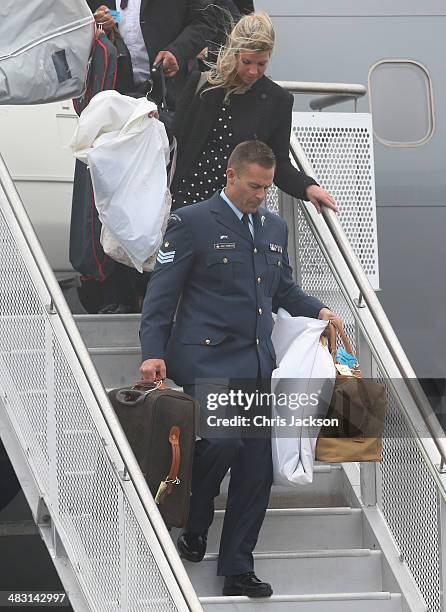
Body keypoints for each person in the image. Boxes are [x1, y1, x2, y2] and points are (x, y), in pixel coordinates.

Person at [139, 140, 340, 597]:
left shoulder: (272, 227)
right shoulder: (191, 222)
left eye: (267, 188)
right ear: (230, 177)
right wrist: (152, 351)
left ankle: (237, 569)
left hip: (255, 362)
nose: (261, 195)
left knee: (256, 467)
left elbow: (283, 288)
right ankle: (194, 516)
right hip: (206, 357)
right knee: (223, 442)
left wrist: (320, 310)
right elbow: (161, 295)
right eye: (254, 186)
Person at [170, 11, 337, 214]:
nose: (253, 71)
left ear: (269, 57)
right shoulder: (203, 84)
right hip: (186, 202)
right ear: (235, 53)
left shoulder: (278, 101)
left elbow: (279, 162)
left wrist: (308, 187)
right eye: (247, 62)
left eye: (261, 64)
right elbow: (174, 139)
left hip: (235, 209)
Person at [87, 0, 216, 105]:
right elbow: (125, 15)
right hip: (116, 96)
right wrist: (104, 18)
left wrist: (176, 52)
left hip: (169, 93)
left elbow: (205, 21)